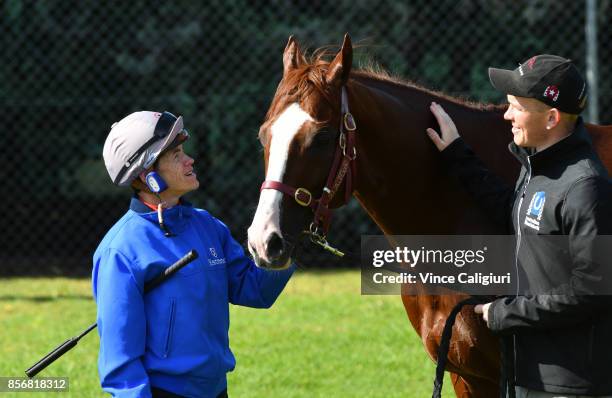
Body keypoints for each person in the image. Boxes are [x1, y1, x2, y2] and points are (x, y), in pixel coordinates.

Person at [426, 55, 612, 397]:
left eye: (516, 107)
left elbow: (592, 292)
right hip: (527, 375)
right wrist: (457, 153)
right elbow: (516, 213)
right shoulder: (538, 169)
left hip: (570, 386)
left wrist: (504, 312)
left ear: (552, 118)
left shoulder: (586, 187)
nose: (507, 115)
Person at [93, 111, 295, 398]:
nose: (190, 160)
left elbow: (255, 291)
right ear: (147, 175)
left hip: (216, 390)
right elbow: (120, 366)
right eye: (176, 155)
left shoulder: (207, 225)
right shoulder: (120, 250)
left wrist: (288, 240)